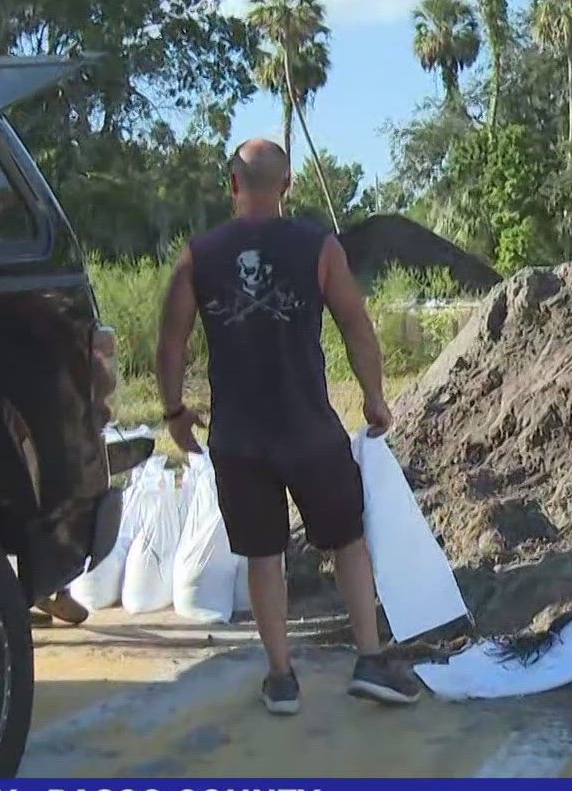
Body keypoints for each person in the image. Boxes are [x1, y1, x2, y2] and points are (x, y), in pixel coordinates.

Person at [155, 138, 423, 715]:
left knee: (263, 555)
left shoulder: (199, 254)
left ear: (232, 186)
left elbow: (170, 340)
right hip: (309, 429)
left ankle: (281, 679)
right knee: (347, 539)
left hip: (237, 437)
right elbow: (356, 323)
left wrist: (175, 412)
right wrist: (375, 397)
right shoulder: (318, 246)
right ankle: (371, 660)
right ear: (288, 185)